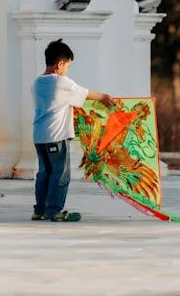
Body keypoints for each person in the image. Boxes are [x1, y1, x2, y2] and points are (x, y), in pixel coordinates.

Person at [30, 39, 113, 222]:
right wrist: (104, 97)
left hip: (39, 136)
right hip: (56, 136)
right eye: (67, 66)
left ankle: (39, 210)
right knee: (60, 174)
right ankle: (55, 210)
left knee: (44, 172)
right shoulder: (60, 82)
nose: (67, 70)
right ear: (60, 64)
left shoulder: (36, 82)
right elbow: (83, 93)